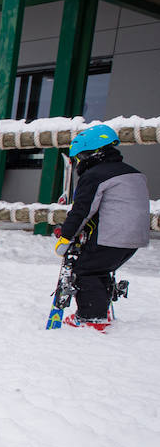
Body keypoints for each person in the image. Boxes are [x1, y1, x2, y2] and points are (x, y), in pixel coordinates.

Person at [53, 124, 151, 330]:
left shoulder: (95, 175)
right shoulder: (133, 173)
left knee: (85, 271)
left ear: (90, 153)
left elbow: (82, 210)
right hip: (135, 237)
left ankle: (92, 318)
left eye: (79, 158)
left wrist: (66, 237)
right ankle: (100, 308)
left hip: (111, 234)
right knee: (101, 269)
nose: (78, 163)